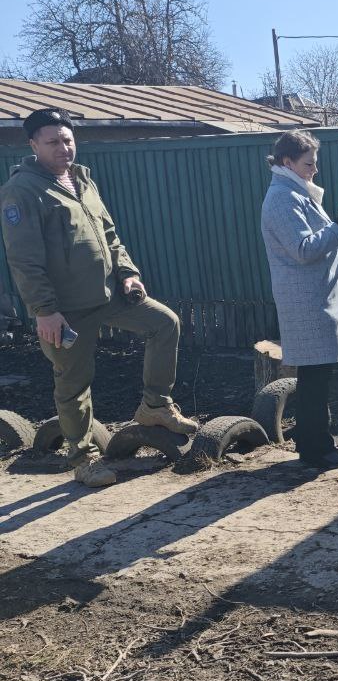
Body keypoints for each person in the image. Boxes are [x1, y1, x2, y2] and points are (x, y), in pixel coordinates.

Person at [1, 108, 197, 488]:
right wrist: (44, 310)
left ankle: (155, 405)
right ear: (33, 144)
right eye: (53, 142)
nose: (63, 148)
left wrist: (128, 273)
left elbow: (109, 235)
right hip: (65, 309)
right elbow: (23, 260)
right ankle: (84, 459)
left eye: (68, 140)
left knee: (164, 323)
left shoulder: (82, 180)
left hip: (108, 294)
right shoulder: (22, 191)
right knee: (73, 384)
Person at [260, 129, 338, 469]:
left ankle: (313, 443)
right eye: (309, 164)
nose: (315, 170)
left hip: (312, 297)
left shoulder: (294, 192)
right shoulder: (282, 197)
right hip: (305, 301)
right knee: (314, 377)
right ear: (287, 162)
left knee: (316, 376)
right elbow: (303, 249)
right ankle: (318, 450)